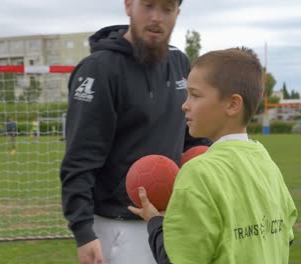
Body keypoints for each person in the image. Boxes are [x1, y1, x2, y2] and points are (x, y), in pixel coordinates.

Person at [59, 0, 210, 263]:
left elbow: (192, 136)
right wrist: (84, 232)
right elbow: (80, 159)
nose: (156, 18)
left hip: (171, 220)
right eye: (148, 6)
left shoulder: (179, 62)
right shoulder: (98, 70)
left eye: (166, 9)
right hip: (118, 226)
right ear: (129, 6)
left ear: (177, 13)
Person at [129, 47, 298, 263]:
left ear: (232, 104)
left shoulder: (197, 173)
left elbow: (175, 259)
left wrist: (154, 221)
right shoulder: (267, 163)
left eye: (195, 95)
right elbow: (286, 237)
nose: (184, 105)